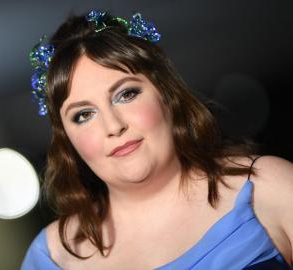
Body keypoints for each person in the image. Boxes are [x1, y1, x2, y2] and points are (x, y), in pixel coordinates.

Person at [21, 10, 293, 269]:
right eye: (83, 115)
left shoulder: (269, 188)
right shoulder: (53, 257)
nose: (114, 126)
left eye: (126, 95)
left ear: (166, 95)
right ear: (67, 139)